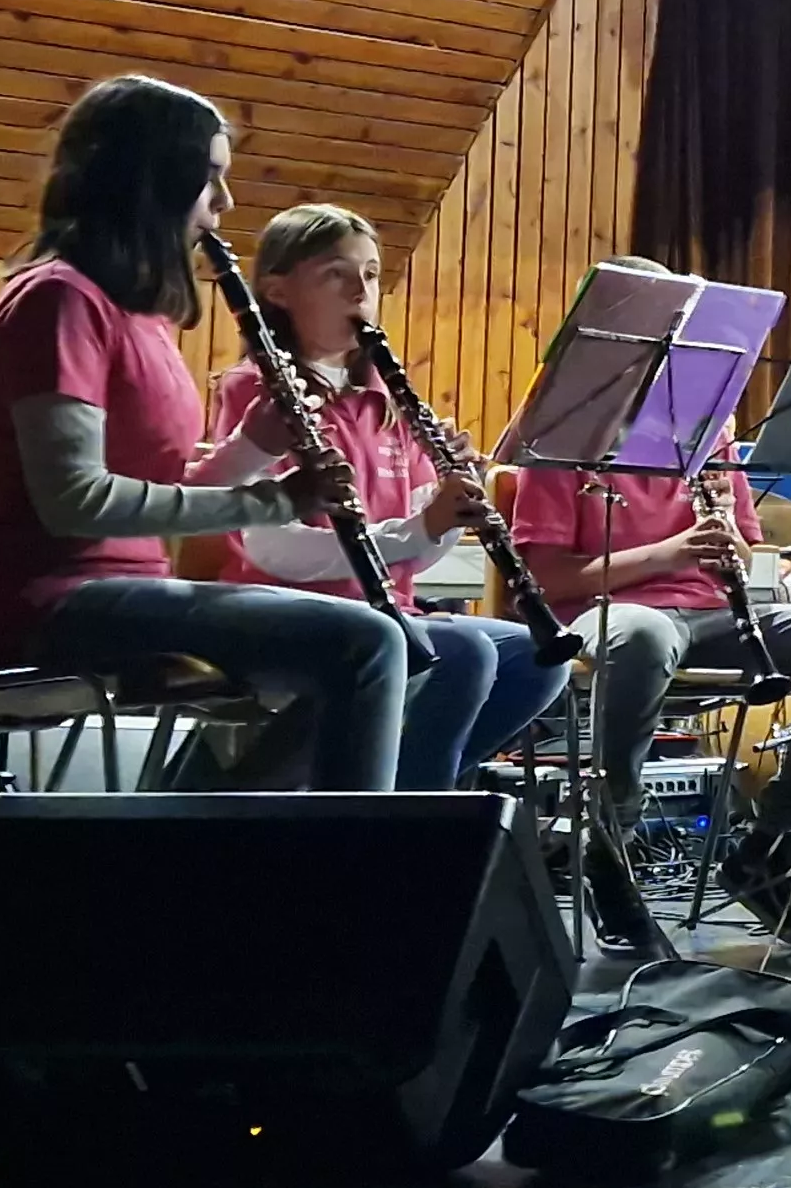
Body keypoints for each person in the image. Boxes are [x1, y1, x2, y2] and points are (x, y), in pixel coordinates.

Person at [0, 76, 405, 790]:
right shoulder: (58, 300)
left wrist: (256, 445)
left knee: (389, 647)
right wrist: (274, 502)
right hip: (48, 598)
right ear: (150, 180)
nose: (225, 202)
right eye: (210, 177)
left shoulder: (139, 315)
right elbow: (74, 502)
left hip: (125, 585)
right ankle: (337, 854)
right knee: (365, 644)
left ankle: (199, 833)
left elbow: (153, 490)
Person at [513, 257, 791, 959]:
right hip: (612, 610)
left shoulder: (707, 425)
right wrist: (671, 552)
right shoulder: (566, 426)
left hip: (714, 615)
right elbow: (547, 579)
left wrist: (731, 547)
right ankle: (609, 849)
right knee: (640, 636)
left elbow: (747, 549)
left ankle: (770, 844)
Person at [203, 205, 573, 793]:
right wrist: (421, 525)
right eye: (336, 274)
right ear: (277, 291)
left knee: (536, 660)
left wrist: (448, 506)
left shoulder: (386, 399)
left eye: (372, 275)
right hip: (280, 608)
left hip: (386, 610)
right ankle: (404, 817)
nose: (362, 291)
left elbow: (414, 552)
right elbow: (273, 550)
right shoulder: (258, 390)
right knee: (465, 652)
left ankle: (398, 794)